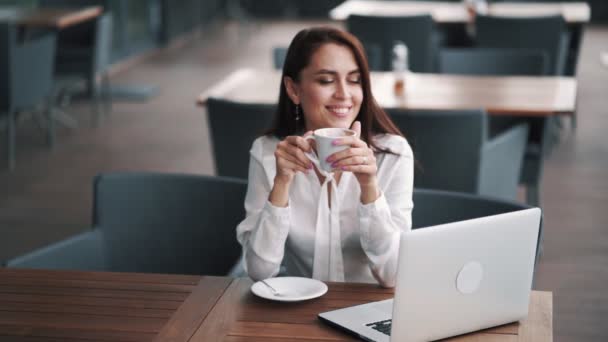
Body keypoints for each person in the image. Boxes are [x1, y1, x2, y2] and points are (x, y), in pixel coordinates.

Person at [236, 27, 414, 288]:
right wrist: (282, 184)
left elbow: (393, 276)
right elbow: (259, 272)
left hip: (371, 311)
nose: (344, 94)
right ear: (294, 90)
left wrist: (369, 187)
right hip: (299, 311)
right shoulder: (267, 153)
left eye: (354, 80)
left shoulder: (394, 154)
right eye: (326, 80)